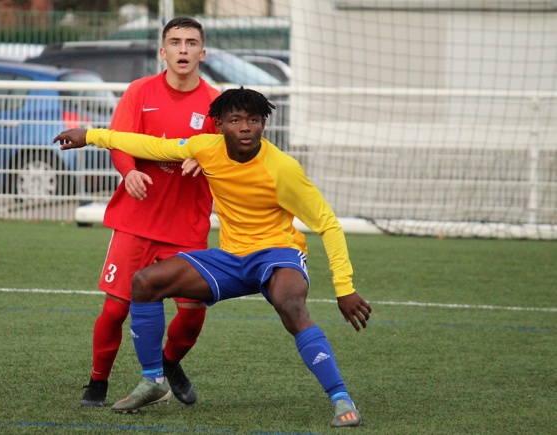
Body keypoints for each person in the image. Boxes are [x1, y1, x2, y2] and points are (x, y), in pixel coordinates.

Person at [54, 87, 372, 428]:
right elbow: (150, 145)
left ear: (263, 124)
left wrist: (344, 288)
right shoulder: (205, 148)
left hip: (277, 252)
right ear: (218, 125)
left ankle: (340, 398)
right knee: (145, 282)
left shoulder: (283, 168)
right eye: (235, 120)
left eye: (253, 120)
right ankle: (153, 381)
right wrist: (89, 135)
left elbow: (327, 224)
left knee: (290, 305)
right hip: (231, 257)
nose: (246, 127)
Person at [79, 17, 220, 407]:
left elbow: (228, 152)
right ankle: (97, 382)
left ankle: (168, 363)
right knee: (115, 308)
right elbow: (118, 141)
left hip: (186, 227)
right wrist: (130, 171)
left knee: (193, 313)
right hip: (135, 221)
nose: (183, 49)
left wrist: (207, 160)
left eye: (191, 42)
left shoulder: (216, 102)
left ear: (202, 53)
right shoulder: (139, 92)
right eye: (175, 42)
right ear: (163, 52)